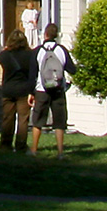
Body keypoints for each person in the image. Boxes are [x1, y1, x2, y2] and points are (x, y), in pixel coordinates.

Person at [28, 22, 77, 159]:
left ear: (45, 34)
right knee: (59, 122)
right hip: (58, 90)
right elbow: (72, 69)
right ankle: (60, 152)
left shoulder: (37, 51)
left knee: (38, 120)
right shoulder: (62, 50)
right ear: (56, 35)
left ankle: (34, 149)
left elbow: (32, 74)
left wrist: (31, 92)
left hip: (41, 90)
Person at [0, 30, 37, 152]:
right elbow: (33, 74)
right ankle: (21, 145)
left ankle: (5, 144)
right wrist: (32, 92)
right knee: (23, 119)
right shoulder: (30, 55)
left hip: (8, 89)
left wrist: (6, 49)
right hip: (24, 90)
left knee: (7, 118)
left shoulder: (5, 55)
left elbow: (0, 57)